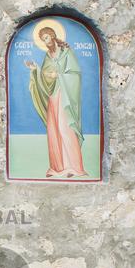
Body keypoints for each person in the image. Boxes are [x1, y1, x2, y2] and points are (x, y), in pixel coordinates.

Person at [26, 26, 89, 178]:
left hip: (65, 95)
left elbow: (75, 74)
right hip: (54, 96)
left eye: (46, 38)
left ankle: (74, 167)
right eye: (43, 40)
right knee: (53, 129)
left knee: (65, 128)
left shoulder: (66, 53)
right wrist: (35, 70)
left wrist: (59, 75)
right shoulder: (48, 56)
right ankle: (57, 168)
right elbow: (45, 75)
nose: (46, 42)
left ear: (53, 36)